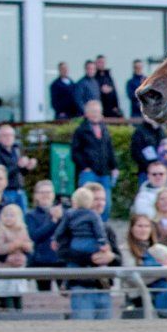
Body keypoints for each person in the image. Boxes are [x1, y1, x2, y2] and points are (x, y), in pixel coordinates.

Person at [53, 183, 120, 320]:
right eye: (96, 199)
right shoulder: (71, 225)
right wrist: (92, 258)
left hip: (104, 289)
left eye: (103, 199)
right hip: (81, 288)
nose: (100, 203)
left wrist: (111, 257)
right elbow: (62, 254)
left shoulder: (107, 229)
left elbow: (119, 260)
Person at [71, 100, 118, 218]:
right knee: (86, 202)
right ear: (86, 114)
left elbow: (109, 149)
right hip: (89, 172)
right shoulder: (80, 130)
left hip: (104, 172)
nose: (95, 114)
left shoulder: (104, 129)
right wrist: (85, 167)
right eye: (93, 111)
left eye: (97, 111)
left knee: (105, 203)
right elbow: (75, 152)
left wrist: (114, 166)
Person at [0, 203, 33, 310]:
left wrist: (24, 247)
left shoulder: (22, 230)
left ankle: (19, 316)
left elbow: (29, 246)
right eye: (6, 215)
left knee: (18, 296)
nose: (8, 218)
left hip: (19, 270)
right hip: (5, 270)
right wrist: (14, 245)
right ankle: (10, 315)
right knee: (8, 296)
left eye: (12, 215)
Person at [0, 124, 36, 211]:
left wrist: (27, 167)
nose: (8, 138)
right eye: (5, 135)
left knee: (23, 218)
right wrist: (18, 166)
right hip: (6, 191)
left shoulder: (17, 149)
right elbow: (1, 174)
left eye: (10, 135)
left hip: (20, 190)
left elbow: (22, 173)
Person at [26, 180, 63, 287]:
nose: (45, 195)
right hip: (41, 260)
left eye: (48, 192)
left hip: (60, 259)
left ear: (53, 195)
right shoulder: (31, 215)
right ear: (36, 195)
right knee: (44, 294)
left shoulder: (63, 213)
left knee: (65, 293)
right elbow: (34, 236)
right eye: (42, 192)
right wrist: (53, 222)